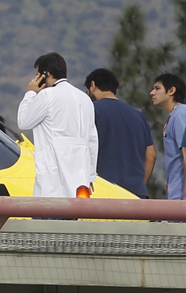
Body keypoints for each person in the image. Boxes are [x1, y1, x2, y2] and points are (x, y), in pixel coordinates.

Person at [16, 52, 98, 198]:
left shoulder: (47, 95)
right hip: (80, 182)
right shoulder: (85, 99)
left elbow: (23, 121)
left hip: (51, 183)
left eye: (37, 75)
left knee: (47, 218)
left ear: (46, 74)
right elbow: (92, 141)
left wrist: (30, 94)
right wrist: (91, 176)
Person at [85, 68, 155, 198]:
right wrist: (139, 184)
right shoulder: (139, 116)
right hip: (136, 193)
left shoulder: (91, 110)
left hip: (103, 191)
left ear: (93, 86)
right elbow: (151, 155)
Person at [150, 73, 186, 200]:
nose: (152, 93)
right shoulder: (175, 115)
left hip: (182, 196)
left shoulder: (181, 114)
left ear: (171, 91)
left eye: (157, 88)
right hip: (176, 190)